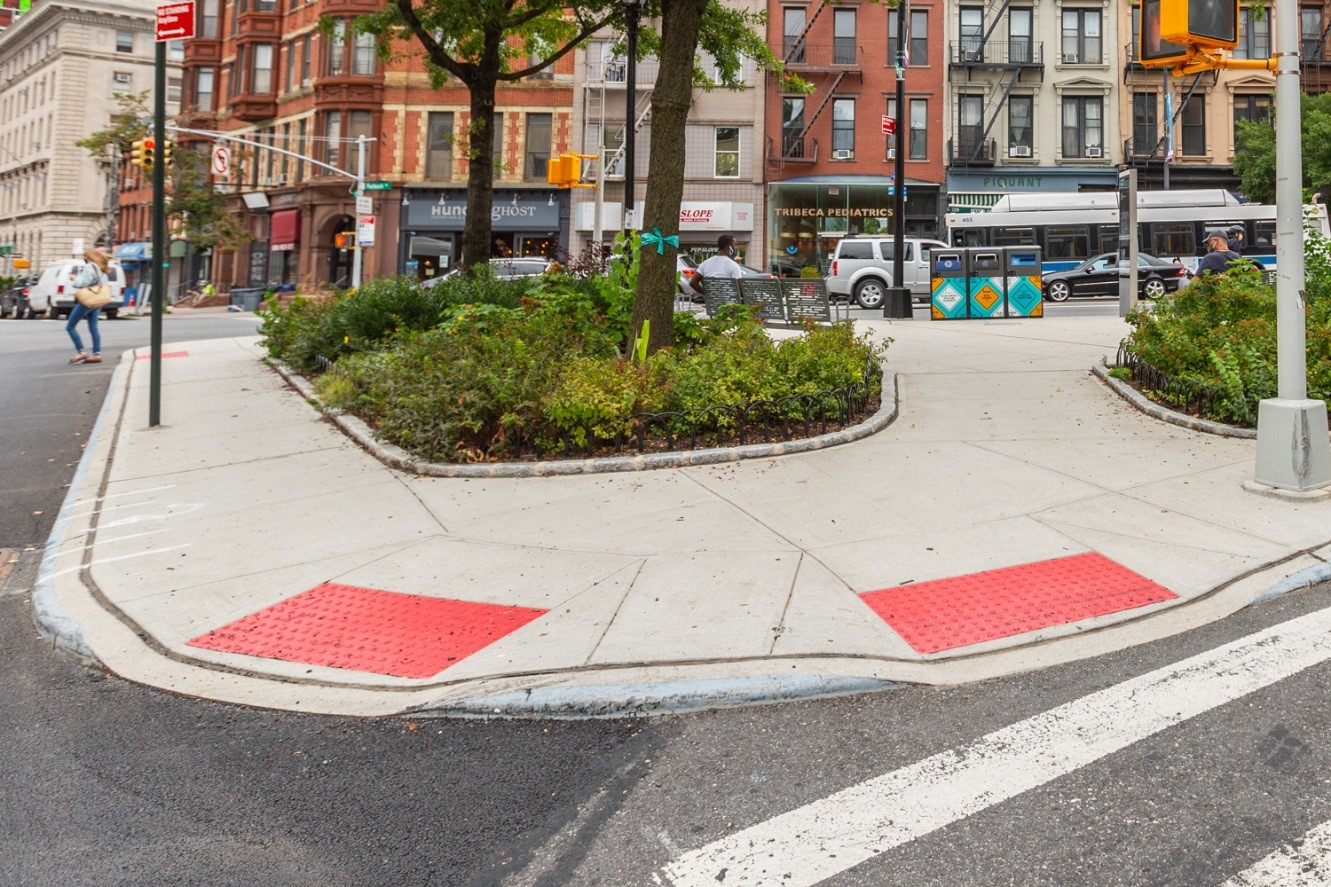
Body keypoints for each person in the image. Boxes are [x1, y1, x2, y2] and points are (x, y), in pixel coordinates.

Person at [66, 248, 109, 365]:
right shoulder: (101, 268)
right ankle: (97, 354)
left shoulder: (90, 267)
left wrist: (74, 278)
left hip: (87, 300)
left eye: (85, 257)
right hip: (97, 300)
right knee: (93, 328)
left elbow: (82, 283)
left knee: (70, 326)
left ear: (88, 257)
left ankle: (81, 351)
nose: (84, 259)